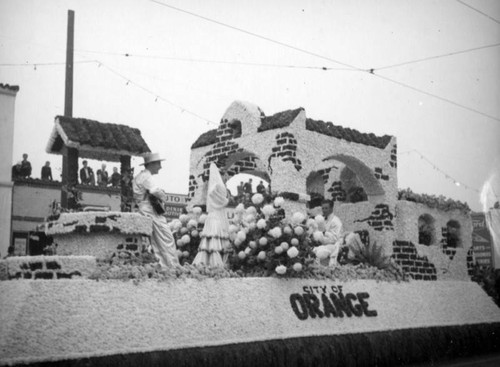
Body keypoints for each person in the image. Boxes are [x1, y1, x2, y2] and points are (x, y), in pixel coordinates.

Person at [133, 153, 179, 267]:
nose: (160, 167)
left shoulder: (140, 176)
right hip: (150, 210)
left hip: (144, 208)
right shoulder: (146, 176)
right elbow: (154, 191)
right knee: (166, 238)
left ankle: (164, 265)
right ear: (152, 164)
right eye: (158, 164)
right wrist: (163, 196)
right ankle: (172, 265)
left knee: (157, 241)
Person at [192, 163, 230, 267]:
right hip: (217, 216)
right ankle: (215, 264)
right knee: (215, 239)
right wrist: (227, 200)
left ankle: (210, 264)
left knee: (212, 239)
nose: (227, 177)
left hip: (215, 215)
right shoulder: (218, 186)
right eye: (225, 175)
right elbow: (222, 201)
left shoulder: (214, 186)